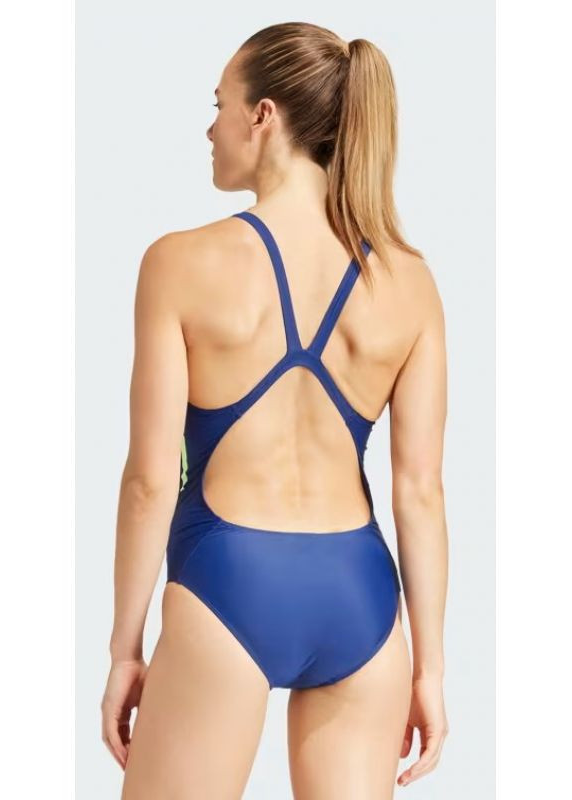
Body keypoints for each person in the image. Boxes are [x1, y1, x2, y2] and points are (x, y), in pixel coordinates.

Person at [101, 22, 449, 799]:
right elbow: (421, 491)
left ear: (263, 116)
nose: (209, 129)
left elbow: (149, 482)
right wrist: (429, 666)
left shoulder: (177, 263)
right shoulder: (410, 282)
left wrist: (125, 649)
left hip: (228, 582)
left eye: (218, 104)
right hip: (361, 600)